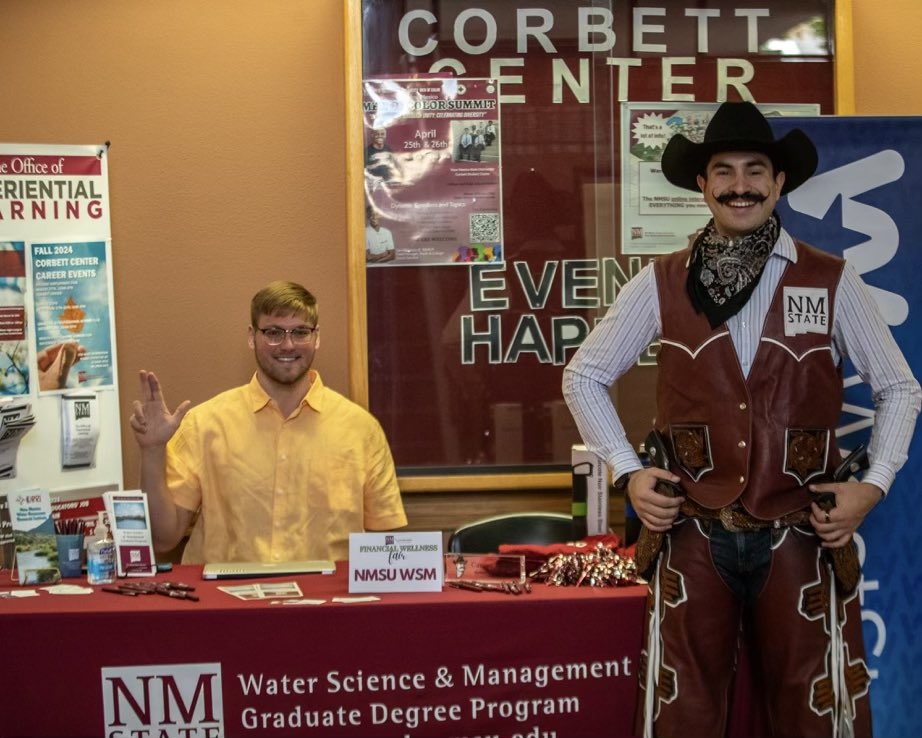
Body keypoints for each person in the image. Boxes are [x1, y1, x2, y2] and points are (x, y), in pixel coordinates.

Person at [562, 101, 920, 738]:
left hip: (801, 533)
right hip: (692, 532)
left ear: (779, 183)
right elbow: (583, 376)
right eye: (723, 171)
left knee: (814, 707)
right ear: (702, 186)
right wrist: (629, 473)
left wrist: (874, 483)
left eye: (756, 170)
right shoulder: (659, 283)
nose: (740, 186)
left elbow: (898, 387)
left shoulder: (831, 279)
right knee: (684, 710)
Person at [130, 281, 407, 564]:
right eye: (273, 333)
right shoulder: (204, 424)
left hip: (327, 604)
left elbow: (389, 550)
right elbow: (163, 538)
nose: (287, 344)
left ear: (317, 337)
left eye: (300, 332)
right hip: (227, 601)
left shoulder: (361, 430)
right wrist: (152, 451)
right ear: (252, 337)